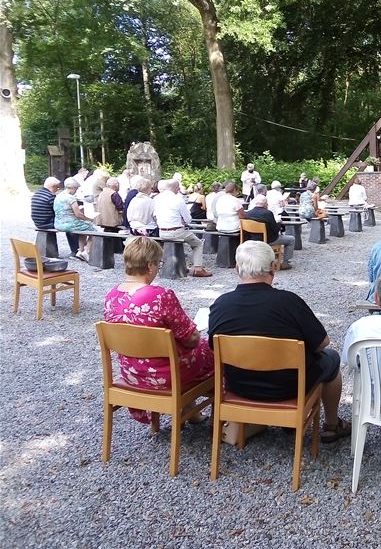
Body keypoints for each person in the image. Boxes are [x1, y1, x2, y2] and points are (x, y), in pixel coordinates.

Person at [208, 241, 350, 442]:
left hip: (239, 386)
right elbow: (322, 343)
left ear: (237, 269)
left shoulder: (220, 304)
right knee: (332, 358)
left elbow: (214, 348)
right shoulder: (289, 302)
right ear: (273, 268)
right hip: (288, 388)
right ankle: (332, 425)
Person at [103, 237, 214, 424]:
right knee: (210, 348)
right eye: (158, 264)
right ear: (150, 266)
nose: (158, 268)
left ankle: (189, 409)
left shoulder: (111, 296)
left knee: (174, 347)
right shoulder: (160, 296)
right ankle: (225, 417)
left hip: (132, 372)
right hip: (165, 377)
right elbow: (191, 338)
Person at [152, 179, 212, 277]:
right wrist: (182, 221)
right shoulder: (178, 199)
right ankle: (198, 268)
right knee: (198, 243)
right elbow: (188, 220)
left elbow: (154, 216)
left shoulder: (157, 199)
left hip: (162, 231)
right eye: (178, 188)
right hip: (176, 231)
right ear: (176, 188)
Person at [31, 177, 81, 256]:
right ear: (52, 187)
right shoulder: (50, 197)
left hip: (38, 222)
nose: (58, 189)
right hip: (47, 223)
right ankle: (76, 251)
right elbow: (59, 212)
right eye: (57, 187)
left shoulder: (36, 194)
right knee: (70, 226)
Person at [243, 195, 295, 268]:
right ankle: (285, 263)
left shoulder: (248, 213)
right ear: (265, 204)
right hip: (267, 240)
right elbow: (275, 230)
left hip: (252, 239)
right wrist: (279, 224)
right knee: (291, 239)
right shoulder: (268, 213)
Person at [54, 177, 96, 262]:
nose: (76, 191)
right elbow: (78, 214)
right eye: (76, 189)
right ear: (72, 188)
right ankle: (86, 251)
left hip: (58, 223)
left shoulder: (58, 196)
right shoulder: (70, 198)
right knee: (94, 231)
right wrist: (89, 219)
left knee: (84, 229)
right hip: (70, 224)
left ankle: (80, 251)